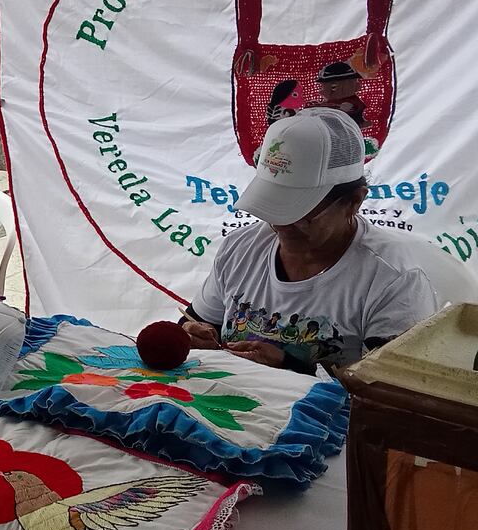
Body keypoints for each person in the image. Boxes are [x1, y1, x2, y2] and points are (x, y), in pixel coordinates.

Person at [181, 108, 437, 373]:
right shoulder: (240, 249)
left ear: (354, 201)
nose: (281, 225)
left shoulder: (392, 278)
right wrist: (193, 335)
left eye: (301, 214)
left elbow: (392, 388)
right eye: (273, 208)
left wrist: (291, 367)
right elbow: (199, 323)